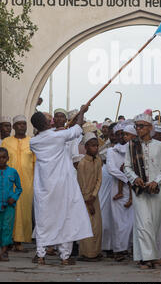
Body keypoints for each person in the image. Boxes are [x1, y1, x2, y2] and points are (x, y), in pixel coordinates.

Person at [30, 106, 93, 265]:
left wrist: (58, 131)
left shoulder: (34, 141)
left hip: (44, 187)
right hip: (62, 185)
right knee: (66, 217)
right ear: (46, 123)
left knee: (44, 219)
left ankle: (41, 255)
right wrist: (82, 112)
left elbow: (65, 132)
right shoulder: (58, 136)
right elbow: (78, 129)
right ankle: (65, 257)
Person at [124, 113, 161, 270]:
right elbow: (127, 167)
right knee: (144, 223)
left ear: (150, 128)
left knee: (153, 224)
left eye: (141, 126)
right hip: (139, 190)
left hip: (155, 190)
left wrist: (156, 181)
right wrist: (134, 178)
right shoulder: (131, 146)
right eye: (136, 126)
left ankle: (143, 256)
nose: (138, 129)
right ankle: (148, 258)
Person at [1, 115, 35, 251]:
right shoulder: (6, 142)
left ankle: (19, 241)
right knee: (9, 211)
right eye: (19, 124)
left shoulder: (32, 142)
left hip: (26, 183)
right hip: (9, 182)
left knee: (24, 212)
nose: (22, 126)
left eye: (24, 124)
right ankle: (8, 240)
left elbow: (36, 162)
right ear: (14, 127)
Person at [106, 123, 134, 261]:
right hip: (117, 188)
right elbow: (111, 169)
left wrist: (130, 179)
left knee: (131, 221)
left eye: (124, 133)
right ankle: (119, 250)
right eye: (119, 134)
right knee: (118, 222)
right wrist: (127, 178)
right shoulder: (112, 151)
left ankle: (128, 248)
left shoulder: (134, 149)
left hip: (133, 189)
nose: (122, 136)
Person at [0, 147, 22, 262]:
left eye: (4, 157)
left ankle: (4, 252)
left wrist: (13, 198)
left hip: (10, 206)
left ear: (8, 158)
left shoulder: (13, 172)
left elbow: (19, 188)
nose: (1, 160)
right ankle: (3, 245)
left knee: (7, 227)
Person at [77, 133, 102, 262]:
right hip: (85, 200)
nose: (95, 148)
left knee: (97, 226)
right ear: (86, 147)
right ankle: (87, 254)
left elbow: (99, 179)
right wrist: (88, 201)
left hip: (94, 197)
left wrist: (93, 196)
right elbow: (82, 184)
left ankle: (96, 252)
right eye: (92, 146)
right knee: (87, 226)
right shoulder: (82, 163)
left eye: (97, 145)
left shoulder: (98, 161)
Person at [98, 122, 116, 257]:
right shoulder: (105, 146)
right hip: (106, 177)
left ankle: (116, 246)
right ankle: (105, 245)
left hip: (119, 181)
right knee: (104, 212)